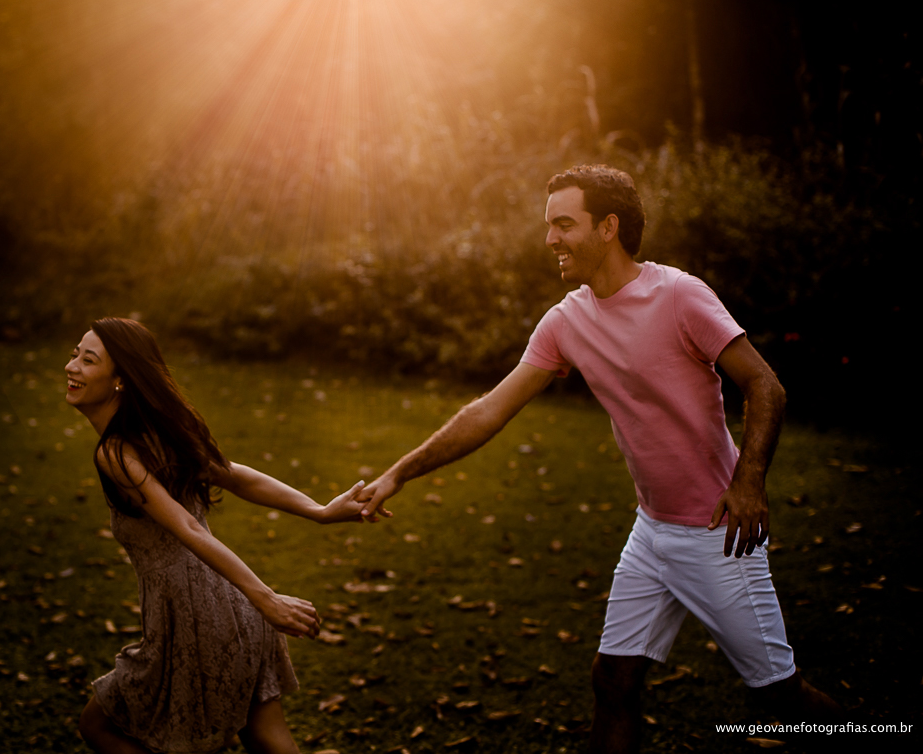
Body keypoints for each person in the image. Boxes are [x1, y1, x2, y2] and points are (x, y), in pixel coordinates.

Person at [357, 165, 838, 753]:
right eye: (549, 225)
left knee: (779, 698)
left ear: (608, 227)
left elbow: (765, 386)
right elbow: (489, 410)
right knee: (613, 681)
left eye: (564, 224)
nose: (550, 239)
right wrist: (398, 472)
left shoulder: (680, 295)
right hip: (651, 532)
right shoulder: (567, 320)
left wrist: (749, 482)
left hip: (718, 534)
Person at [68, 317, 367, 754]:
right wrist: (316, 512)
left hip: (200, 623)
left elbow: (190, 522)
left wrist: (267, 596)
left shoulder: (116, 451)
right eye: (75, 354)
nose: (72, 366)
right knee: (268, 738)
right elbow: (237, 476)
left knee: (98, 725)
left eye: (87, 359)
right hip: (236, 610)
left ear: (120, 381)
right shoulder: (154, 435)